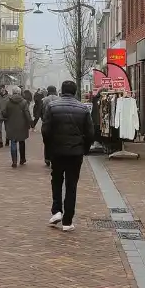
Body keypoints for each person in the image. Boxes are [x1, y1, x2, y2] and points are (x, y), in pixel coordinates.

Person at [41, 80, 92, 232]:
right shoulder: (83, 108)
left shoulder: (52, 106)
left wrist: (49, 148)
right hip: (75, 152)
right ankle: (67, 221)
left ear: (61, 91)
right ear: (75, 91)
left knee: (56, 180)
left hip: (57, 151)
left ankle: (56, 210)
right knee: (71, 185)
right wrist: (85, 148)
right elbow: (90, 133)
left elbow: (45, 130)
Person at [1, 85, 33, 167]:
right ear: (19, 92)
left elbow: (4, 113)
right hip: (22, 125)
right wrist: (30, 122)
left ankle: (14, 161)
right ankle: (22, 159)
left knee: (13, 142)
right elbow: (27, 114)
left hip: (11, 125)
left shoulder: (8, 101)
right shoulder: (24, 102)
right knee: (22, 141)